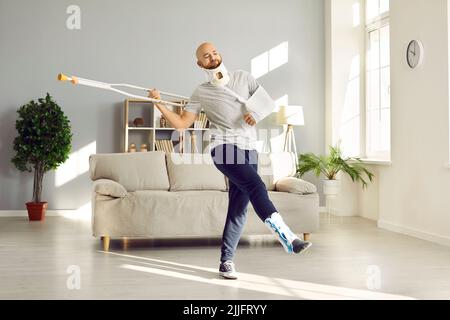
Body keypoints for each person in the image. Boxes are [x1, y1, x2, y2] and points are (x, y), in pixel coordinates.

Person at [149, 42, 312, 280]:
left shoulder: (244, 78)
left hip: (248, 148)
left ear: (220, 54)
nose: (212, 57)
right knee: (257, 185)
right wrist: (158, 102)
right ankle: (288, 237)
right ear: (200, 64)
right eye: (206, 56)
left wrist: (254, 113)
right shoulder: (201, 92)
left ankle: (226, 261)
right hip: (222, 146)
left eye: (214, 53)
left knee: (239, 206)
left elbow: (266, 102)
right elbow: (182, 124)